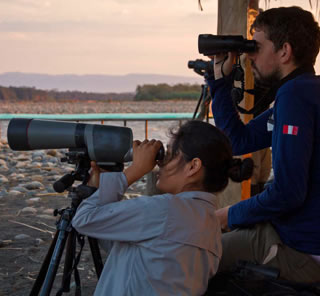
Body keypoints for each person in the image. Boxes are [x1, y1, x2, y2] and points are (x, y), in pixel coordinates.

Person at [208, 6, 320, 284]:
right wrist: (219, 81)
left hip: (307, 253)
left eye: (256, 46)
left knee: (187, 256)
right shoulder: (306, 91)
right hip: (313, 240)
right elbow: (238, 140)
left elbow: (287, 193)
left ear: (284, 51)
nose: (249, 55)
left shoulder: (297, 96)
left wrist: (226, 215)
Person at [72, 120, 253, 296]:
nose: (160, 162)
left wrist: (133, 172)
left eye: (170, 154)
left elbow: (83, 219)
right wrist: (106, 190)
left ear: (193, 166)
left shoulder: (165, 210)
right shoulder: (210, 224)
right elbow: (125, 249)